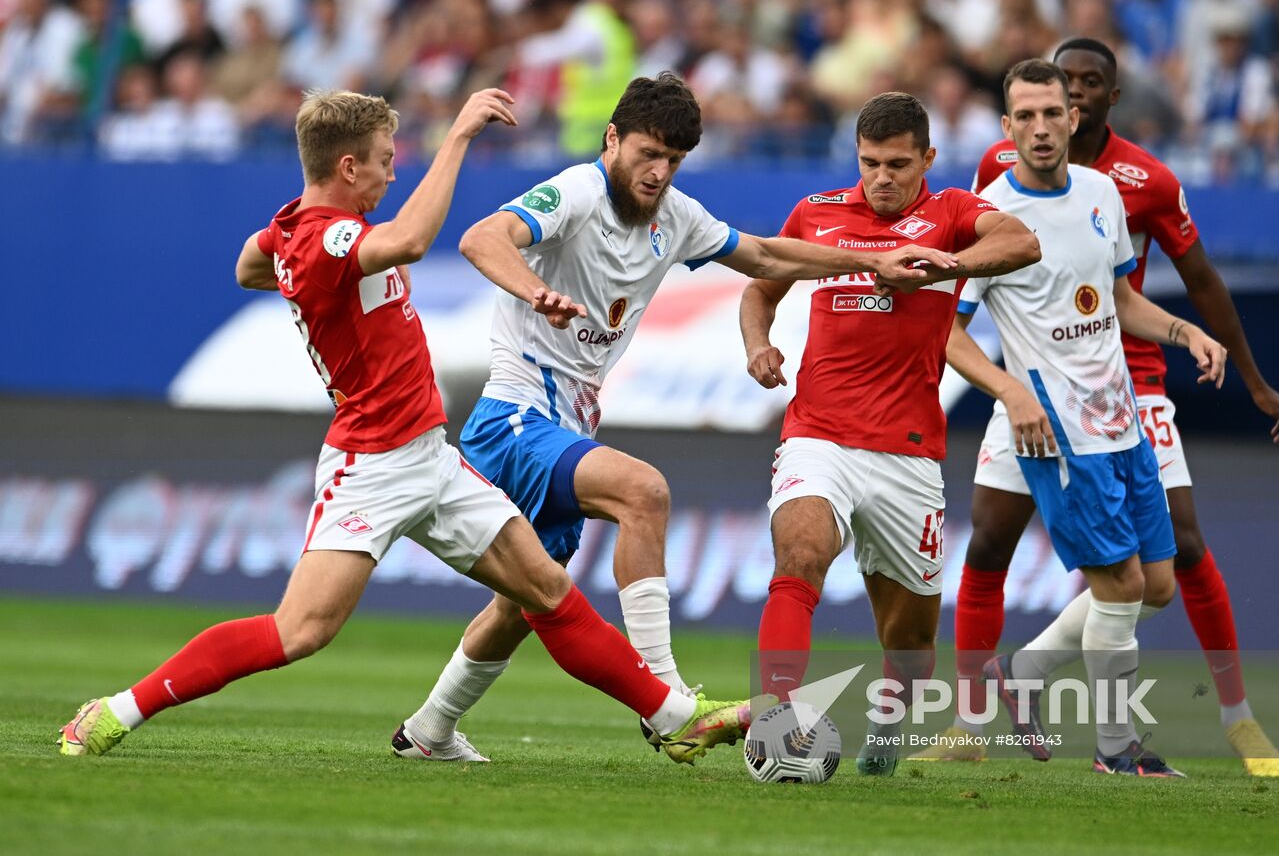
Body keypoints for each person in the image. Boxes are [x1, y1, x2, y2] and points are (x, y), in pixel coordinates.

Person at [58, 87, 756, 765]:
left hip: (431, 455)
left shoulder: (292, 231)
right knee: (300, 630)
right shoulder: (329, 238)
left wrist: (300, 278)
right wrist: (457, 136)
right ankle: (119, 709)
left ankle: (675, 718)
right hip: (372, 464)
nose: (395, 171)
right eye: (387, 159)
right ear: (347, 167)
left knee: (547, 591)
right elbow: (416, 239)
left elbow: (250, 266)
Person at [391, 73, 954, 762]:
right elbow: (484, 237)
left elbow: (768, 255)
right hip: (514, 416)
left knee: (528, 599)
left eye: (673, 160)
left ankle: (429, 729)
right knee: (644, 491)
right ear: (613, 140)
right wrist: (537, 290)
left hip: (567, 425)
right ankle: (669, 703)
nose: (657, 172)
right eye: (647, 154)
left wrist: (871, 262)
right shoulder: (575, 192)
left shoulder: (677, 216)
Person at [919, 37, 1279, 778]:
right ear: (1005, 127)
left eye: (1052, 111)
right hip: (1051, 423)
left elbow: (1121, 297)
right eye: (1024, 115)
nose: (1040, 126)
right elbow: (946, 332)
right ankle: (1115, 750)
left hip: (1120, 411)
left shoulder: (1104, 194)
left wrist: (1187, 332)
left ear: (1075, 114)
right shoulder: (986, 214)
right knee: (1106, 581)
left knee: (1157, 580)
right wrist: (1009, 389)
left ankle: (1022, 675)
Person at [741, 91, 1041, 777]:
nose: (881, 177)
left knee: (909, 643)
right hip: (818, 435)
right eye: (870, 162)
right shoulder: (817, 214)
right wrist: (758, 344)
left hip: (908, 455)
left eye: (898, 164)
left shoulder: (953, 216)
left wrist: (949, 264)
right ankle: (777, 723)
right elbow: (761, 285)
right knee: (801, 553)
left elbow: (1022, 240)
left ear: (928, 159)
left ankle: (888, 719)